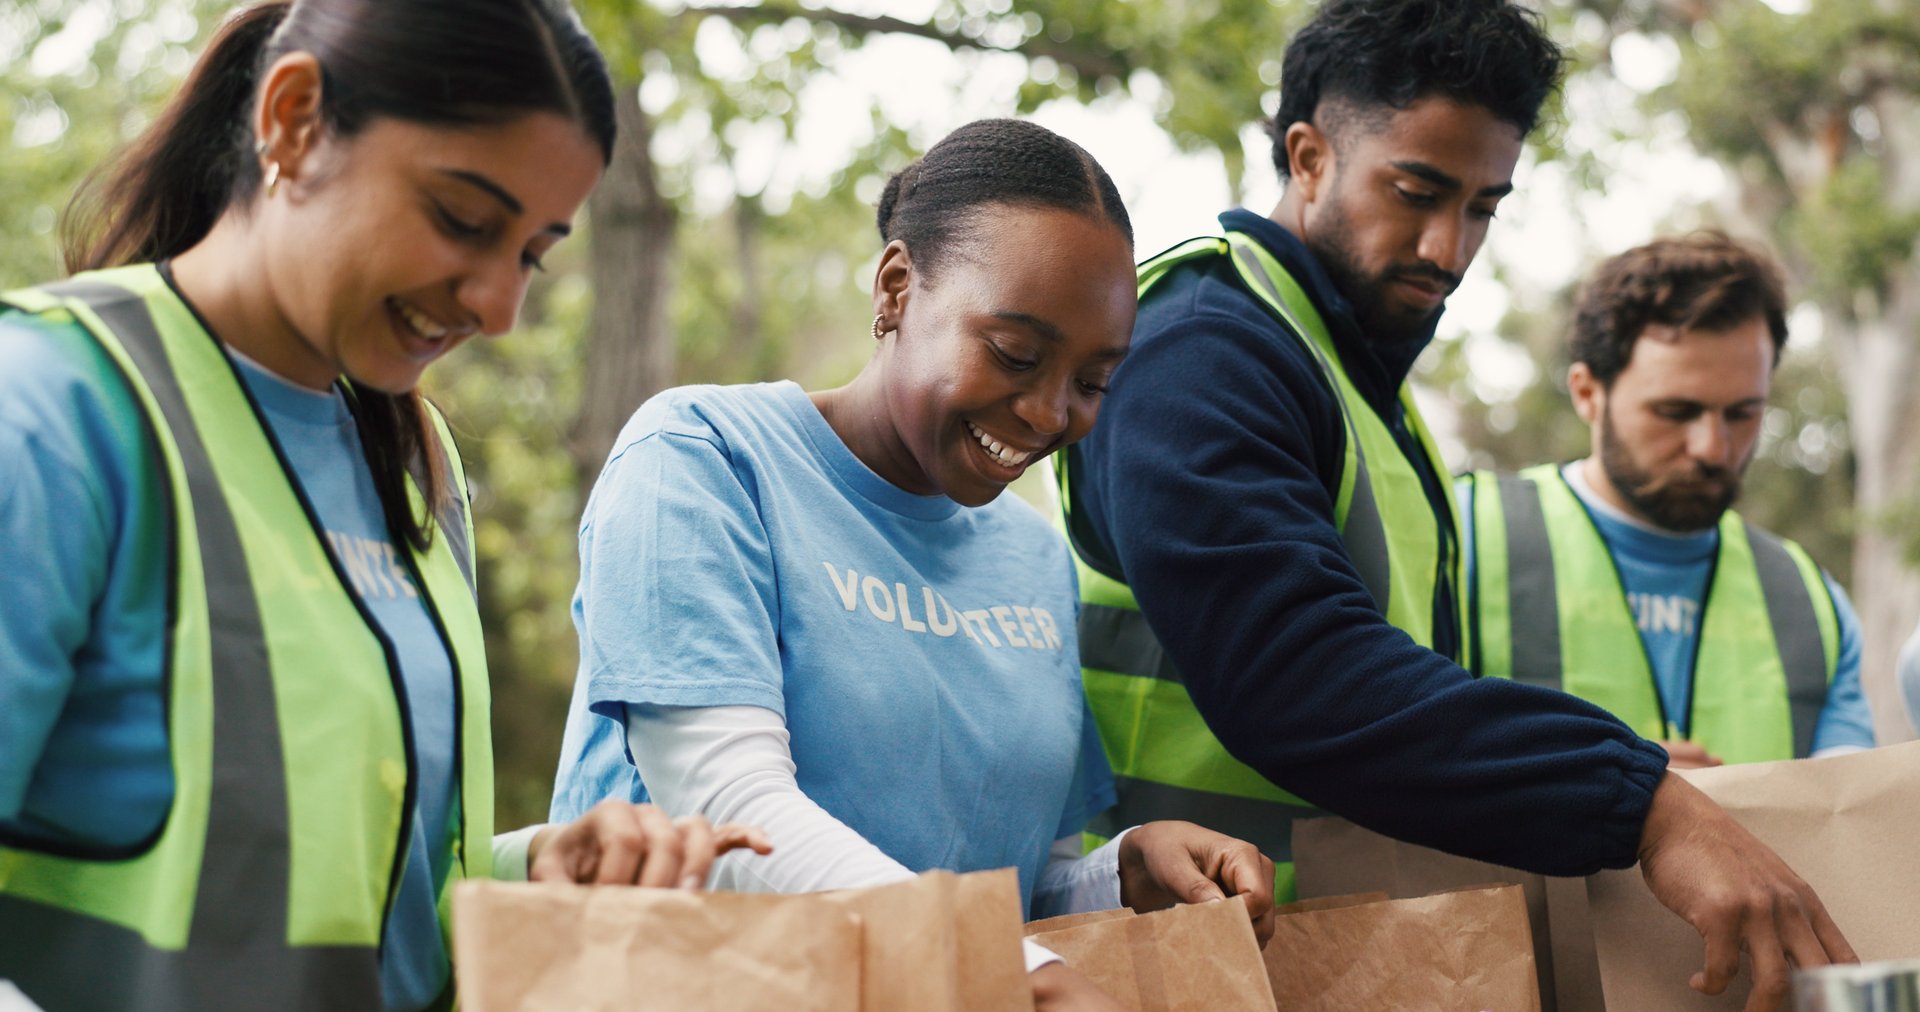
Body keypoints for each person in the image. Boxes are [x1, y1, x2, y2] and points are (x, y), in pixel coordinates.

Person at [1057, 0, 1854, 1005]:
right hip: (1173, 962)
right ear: (1307, 157)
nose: (1448, 246)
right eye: (1418, 190)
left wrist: (1593, 761)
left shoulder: (1358, 386)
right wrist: (1640, 797)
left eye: (1483, 206)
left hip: (1310, 955)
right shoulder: (1204, 350)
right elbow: (1299, 672)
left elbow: (1405, 687)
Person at [0, 3, 766, 1009]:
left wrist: (528, 866)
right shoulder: (49, 410)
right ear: (294, 119)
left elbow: (340, 894)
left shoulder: (416, 461)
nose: (499, 306)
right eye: (463, 219)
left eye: (532, 252)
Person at [547, 118, 1274, 1010]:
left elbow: (1013, 890)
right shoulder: (706, 459)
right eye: (1015, 353)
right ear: (897, 286)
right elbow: (733, 816)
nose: (1050, 414)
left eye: (1093, 382)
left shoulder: (1032, 559)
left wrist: (1122, 872)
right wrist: (1027, 981)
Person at [1459, 233, 1875, 767]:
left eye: (1743, 413)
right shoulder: (1461, 533)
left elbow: (1848, 820)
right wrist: (1602, 784)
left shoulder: (1811, 601)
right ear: (1588, 393)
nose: (1713, 448)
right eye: (1676, 412)